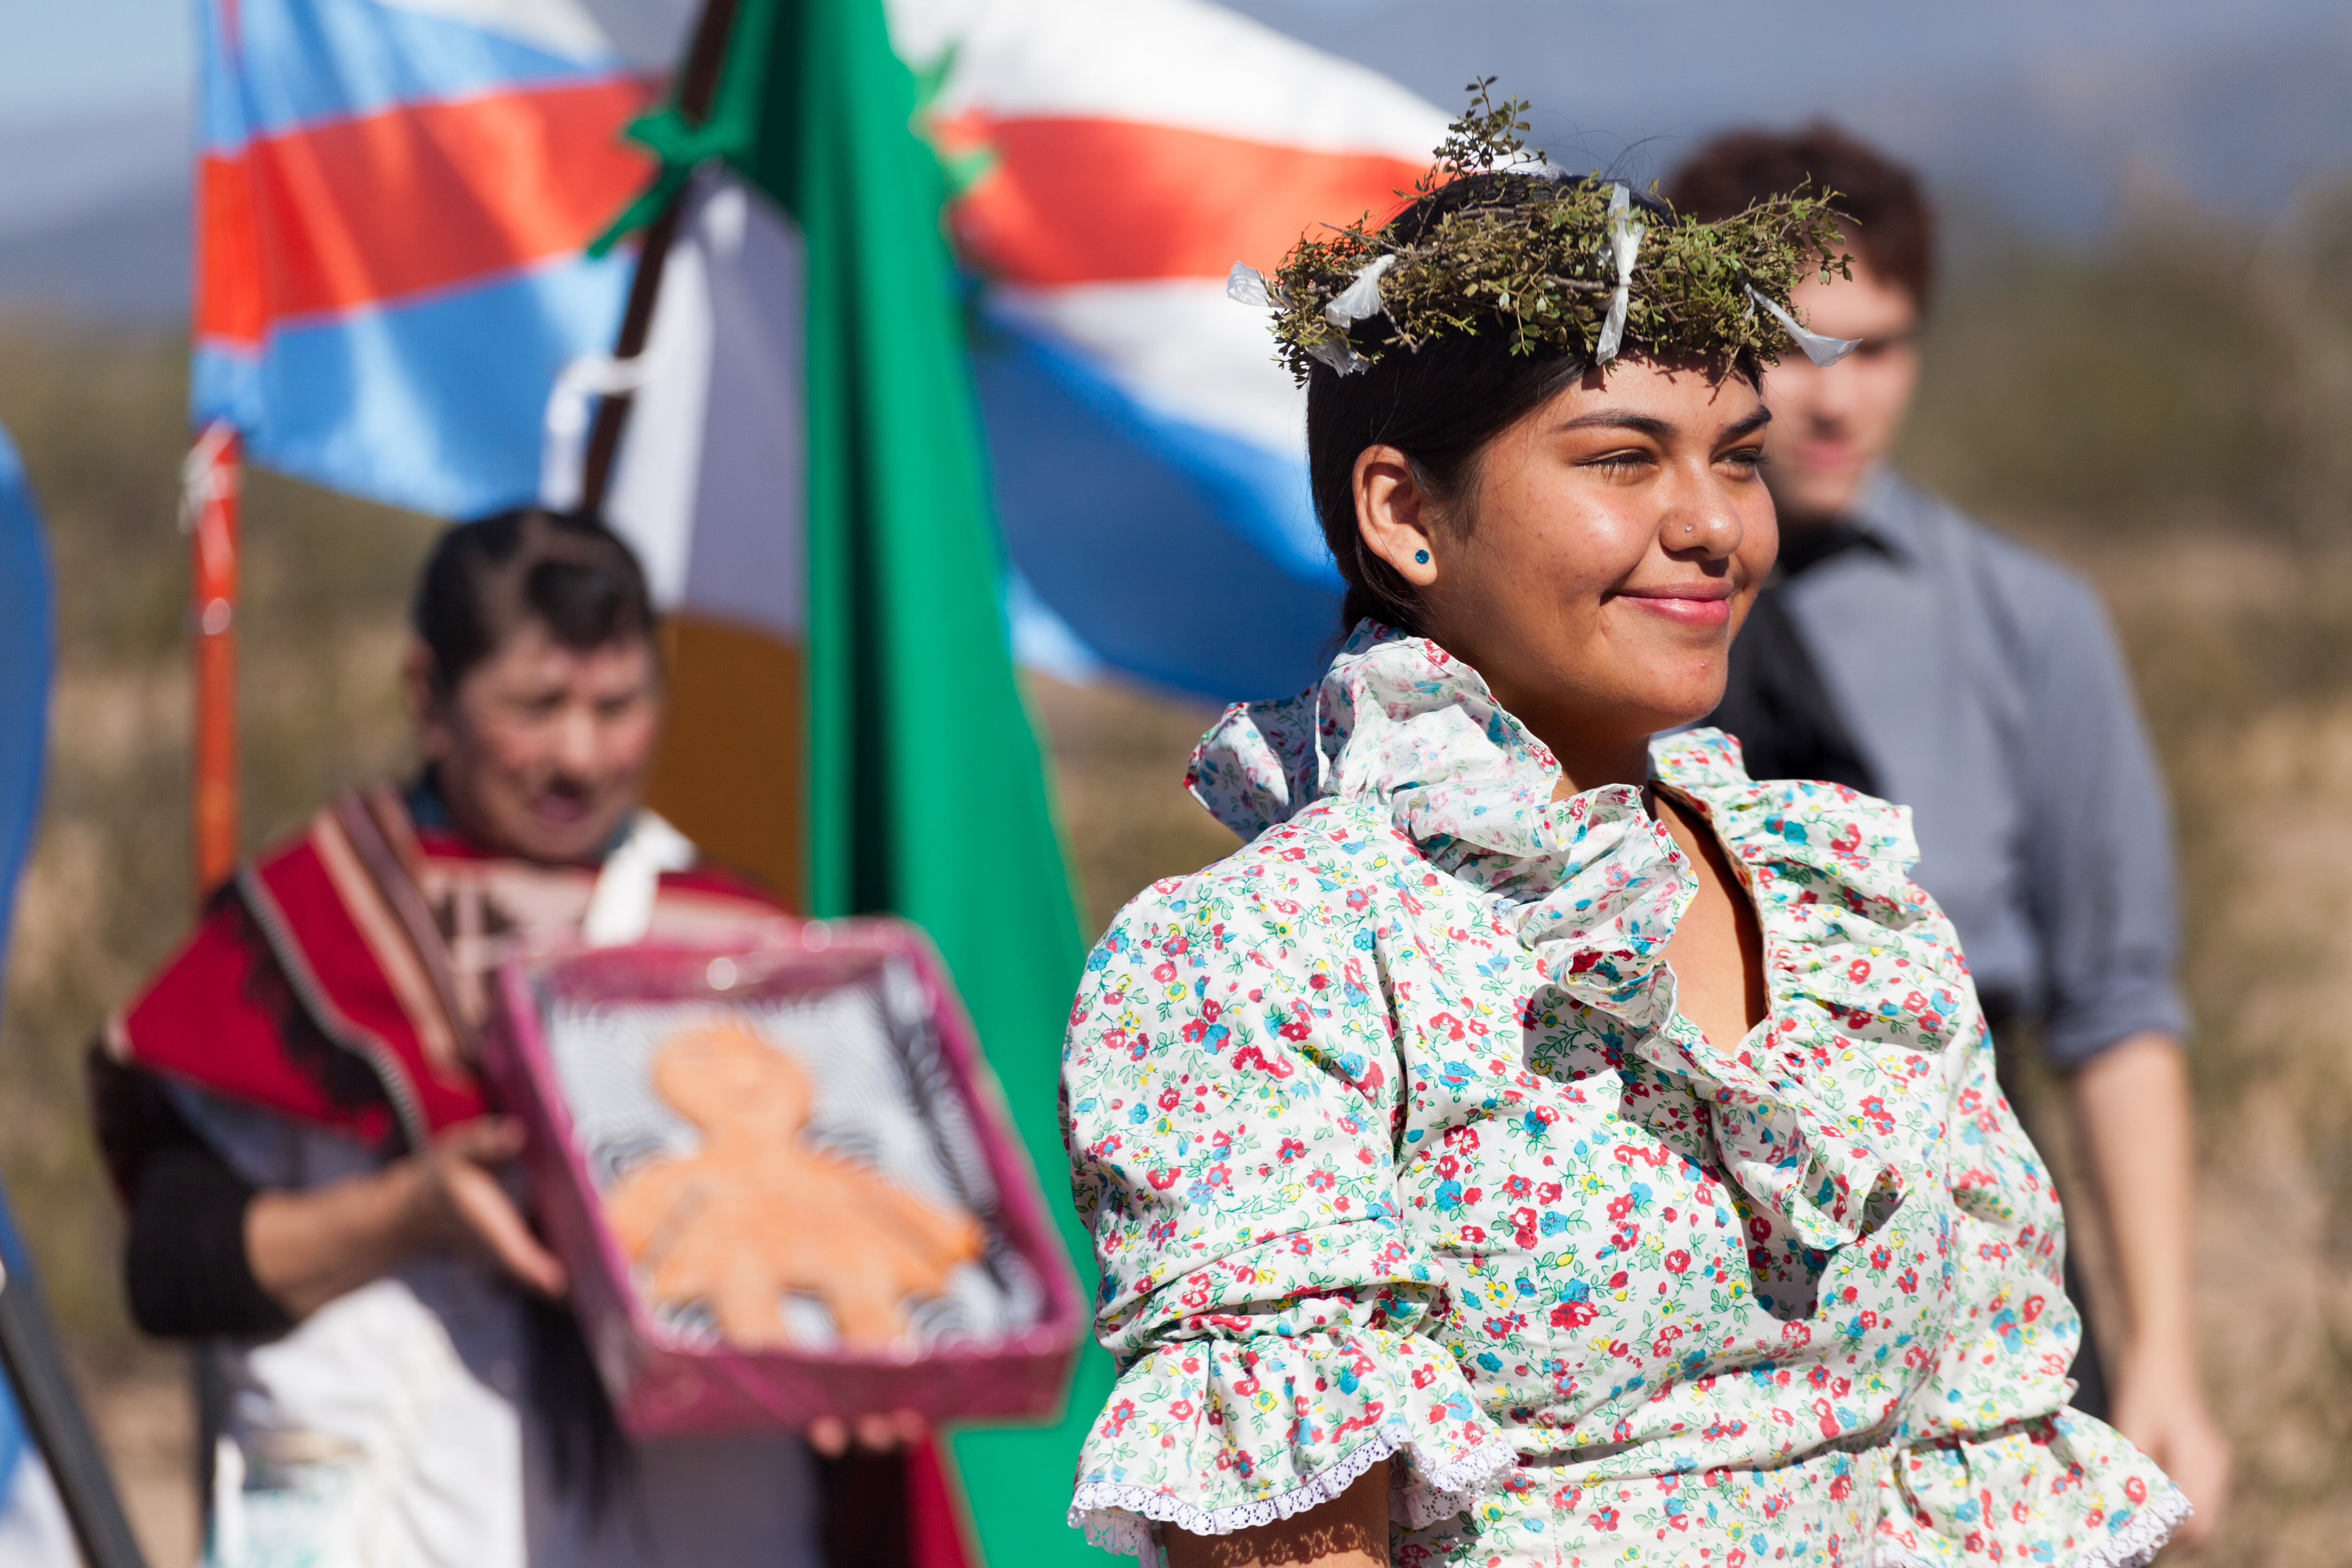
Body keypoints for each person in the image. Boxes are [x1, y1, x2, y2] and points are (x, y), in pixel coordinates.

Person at [1058, 96, 2188, 1567]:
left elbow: (1989, 1465)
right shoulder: (1272, 958)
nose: (1714, 524)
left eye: (1738, 456)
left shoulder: (1853, 917)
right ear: (1403, 511)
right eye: (1621, 457)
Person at [88, 511, 924, 1568]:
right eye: (538, 706)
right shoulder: (311, 927)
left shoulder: (748, 952)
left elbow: (855, 1256)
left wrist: (863, 1368)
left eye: (617, 706)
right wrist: (410, 1214)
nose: (581, 753)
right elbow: (170, 1268)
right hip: (398, 1528)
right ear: (428, 694)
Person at [1667, 125, 2230, 1541]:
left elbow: (2115, 1005)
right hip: (1677, 1286)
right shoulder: (1602, 622)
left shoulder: (2028, 619)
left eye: (1879, 348)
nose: (1836, 395)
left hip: (1973, 1249)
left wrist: (2163, 1354)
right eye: (1796, 346)